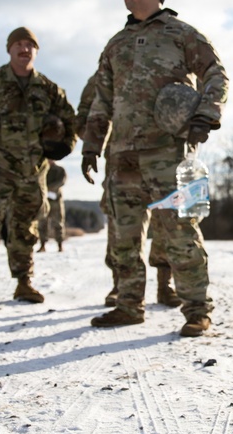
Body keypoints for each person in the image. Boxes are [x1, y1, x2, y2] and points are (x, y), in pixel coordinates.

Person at [81, 0, 228, 337]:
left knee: (180, 233)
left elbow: (216, 72)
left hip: (168, 152)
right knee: (123, 237)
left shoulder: (181, 34)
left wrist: (206, 116)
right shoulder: (116, 44)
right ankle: (128, 305)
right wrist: (91, 146)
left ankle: (197, 309)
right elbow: (102, 99)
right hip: (122, 155)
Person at [0, 26, 77, 310]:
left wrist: (67, 145)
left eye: (29, 45)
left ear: (36, 51)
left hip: (32, 173)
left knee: (25, 229)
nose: (24, 49)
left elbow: (71, 120)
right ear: (9, 49)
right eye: (18, 44)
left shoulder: (48, 89)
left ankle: (23, 282)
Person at [75, 76, 178, 307]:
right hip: (121, 160)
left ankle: (165, 284)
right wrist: (103, 133)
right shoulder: (106, 73)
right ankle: (121, 285)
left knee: (166, 222)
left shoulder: (168, 59)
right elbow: (83, 118)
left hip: (164, 157)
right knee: (120, 225)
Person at [38, 160, 67, 252]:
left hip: (55, 200)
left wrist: (47, 188)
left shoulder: (59, 170)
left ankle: (60, 244)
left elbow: (61, 182)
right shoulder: (42, 169)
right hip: (44, 200)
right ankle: (42, 245)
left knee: (58, 223)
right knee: (42, 223)